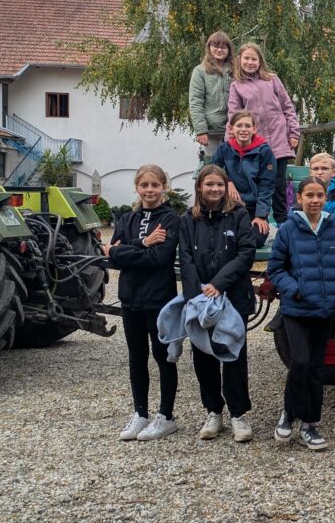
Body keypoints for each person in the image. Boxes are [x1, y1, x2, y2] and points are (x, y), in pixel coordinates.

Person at [179, 165, 257, 442]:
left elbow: (246, 252)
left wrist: (219, 284)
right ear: (200, 187)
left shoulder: (239, 215)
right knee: (203, 355)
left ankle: (238, 413)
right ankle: (213, 410)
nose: (215, 189)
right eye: (209, 184)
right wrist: (197, 294)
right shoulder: (188, 219)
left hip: (233, 297)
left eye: (220, 185)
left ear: (226, 187)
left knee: (233, 353)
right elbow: (185, 256)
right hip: (201, 298)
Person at [267, 176, 335, 451]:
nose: (315, 200)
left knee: (316, 367)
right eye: (309, 195)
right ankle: (289, 413)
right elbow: (276, 268)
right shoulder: (288, 229)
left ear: (326, 198)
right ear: (299, 198)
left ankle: (310, 424)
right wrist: (295, 289)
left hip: (325, 309)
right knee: (299, 361)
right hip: (297, 308)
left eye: (319, 195)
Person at [105, 165, 180, 441]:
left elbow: (158, 259)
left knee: (162, 356)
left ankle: (166, 415)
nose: (149, 190)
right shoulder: (127, 218)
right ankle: (140, 413)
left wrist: (126, 250)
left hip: (158, 298)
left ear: (164, 187)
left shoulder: (170, 219)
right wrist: (144, 242)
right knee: (136, 357)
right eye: (144, 185)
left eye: (155, 185)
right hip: (130, 298)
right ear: (137, 188)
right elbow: (112, 257)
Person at [227, 42, 301, 226]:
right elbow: (233, 114)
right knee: (259, 183)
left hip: (278, 139)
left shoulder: (272, 80)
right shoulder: (237, 86)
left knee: (279, 184)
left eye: (254, 59)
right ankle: (260, 221)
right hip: (256, 144)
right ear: (239, 60)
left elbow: (288, 106)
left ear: (260, 61)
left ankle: (283, 223)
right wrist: (230, 141)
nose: (250, 62)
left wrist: (293, 133)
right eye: (246, 58)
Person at [211, 110, 274, 248]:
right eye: (239, 125)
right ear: (231, 128)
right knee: (220, 239)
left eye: (247, 126)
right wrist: (227, 182)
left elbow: (267, 185)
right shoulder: (224, 149)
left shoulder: (264, 151)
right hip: (229, 206)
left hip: (253, 208)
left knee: (256, 240)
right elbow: (211, 171)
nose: (243, 129)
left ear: (254, 129)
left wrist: (261, 216)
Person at [189, 31, 234, 161]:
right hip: (211, 131)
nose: (219, 50)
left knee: (233, 167)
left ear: (228, 50)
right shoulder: (200, 71)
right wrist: (201, 130)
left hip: (233, 130)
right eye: (215, 46)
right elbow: (196, 102)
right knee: (213, 167)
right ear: (209, 47)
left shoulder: (235, 70)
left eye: (223, 47)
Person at [307, 153, 335, 218]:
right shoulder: (303, 192)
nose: (319, 172)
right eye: (315, 169)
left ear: (333, 172)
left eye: (324, 168)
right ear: (310, 173)